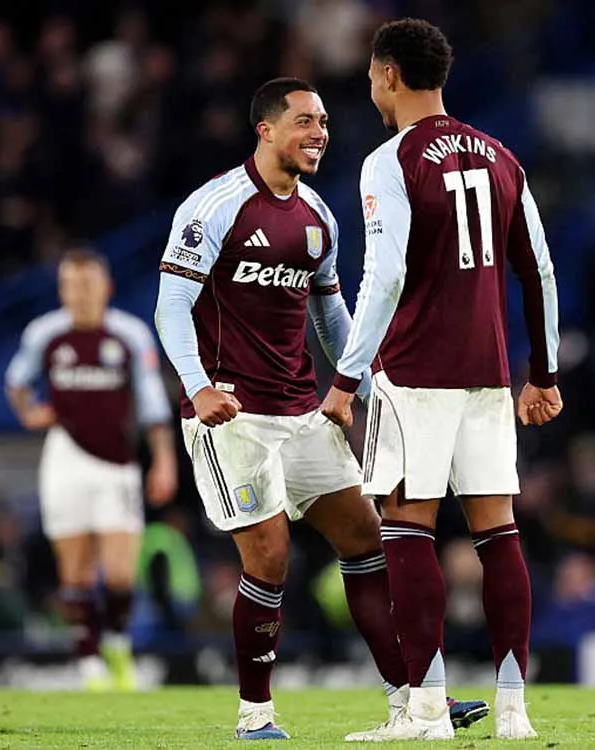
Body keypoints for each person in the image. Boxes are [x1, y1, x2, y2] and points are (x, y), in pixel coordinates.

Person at [155, 77, 487, 741]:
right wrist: (197, 387)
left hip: (301, 411)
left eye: (325, 122)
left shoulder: (318, 218)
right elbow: (170, 306)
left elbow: (329, 313)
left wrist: (368, 386)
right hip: (232, 417)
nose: (319, 133)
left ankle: (413, 704)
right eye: (305, 121)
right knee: (270, 554)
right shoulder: (214, 207)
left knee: (366, 538)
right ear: (266, 129)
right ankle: (256, 716)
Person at [320, 18, 562, 741]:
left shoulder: (390, 160)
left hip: (416, 372)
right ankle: (514, 711)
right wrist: (542, 373)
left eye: (370, 76)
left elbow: (386, 272)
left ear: (389, 74)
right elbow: (539, 270)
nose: (370, 88)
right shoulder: (501, 157)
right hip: (487, 375)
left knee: (406, 527)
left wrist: (345, 375)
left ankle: (426, 711)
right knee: (498, 532)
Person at [5, 248, 178, 691]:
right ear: (62, 289)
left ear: (106, 287)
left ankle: (117, 644)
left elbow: (153, 402)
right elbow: (16, 379)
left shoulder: (129, 335)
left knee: (120, 572)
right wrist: (29, 412)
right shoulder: (45, 333)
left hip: (118, 462)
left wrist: (163, 458)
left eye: (87, 284)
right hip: (65, 456)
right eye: (70, 285)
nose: (79, 294)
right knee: (75, 571)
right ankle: (87, 662)